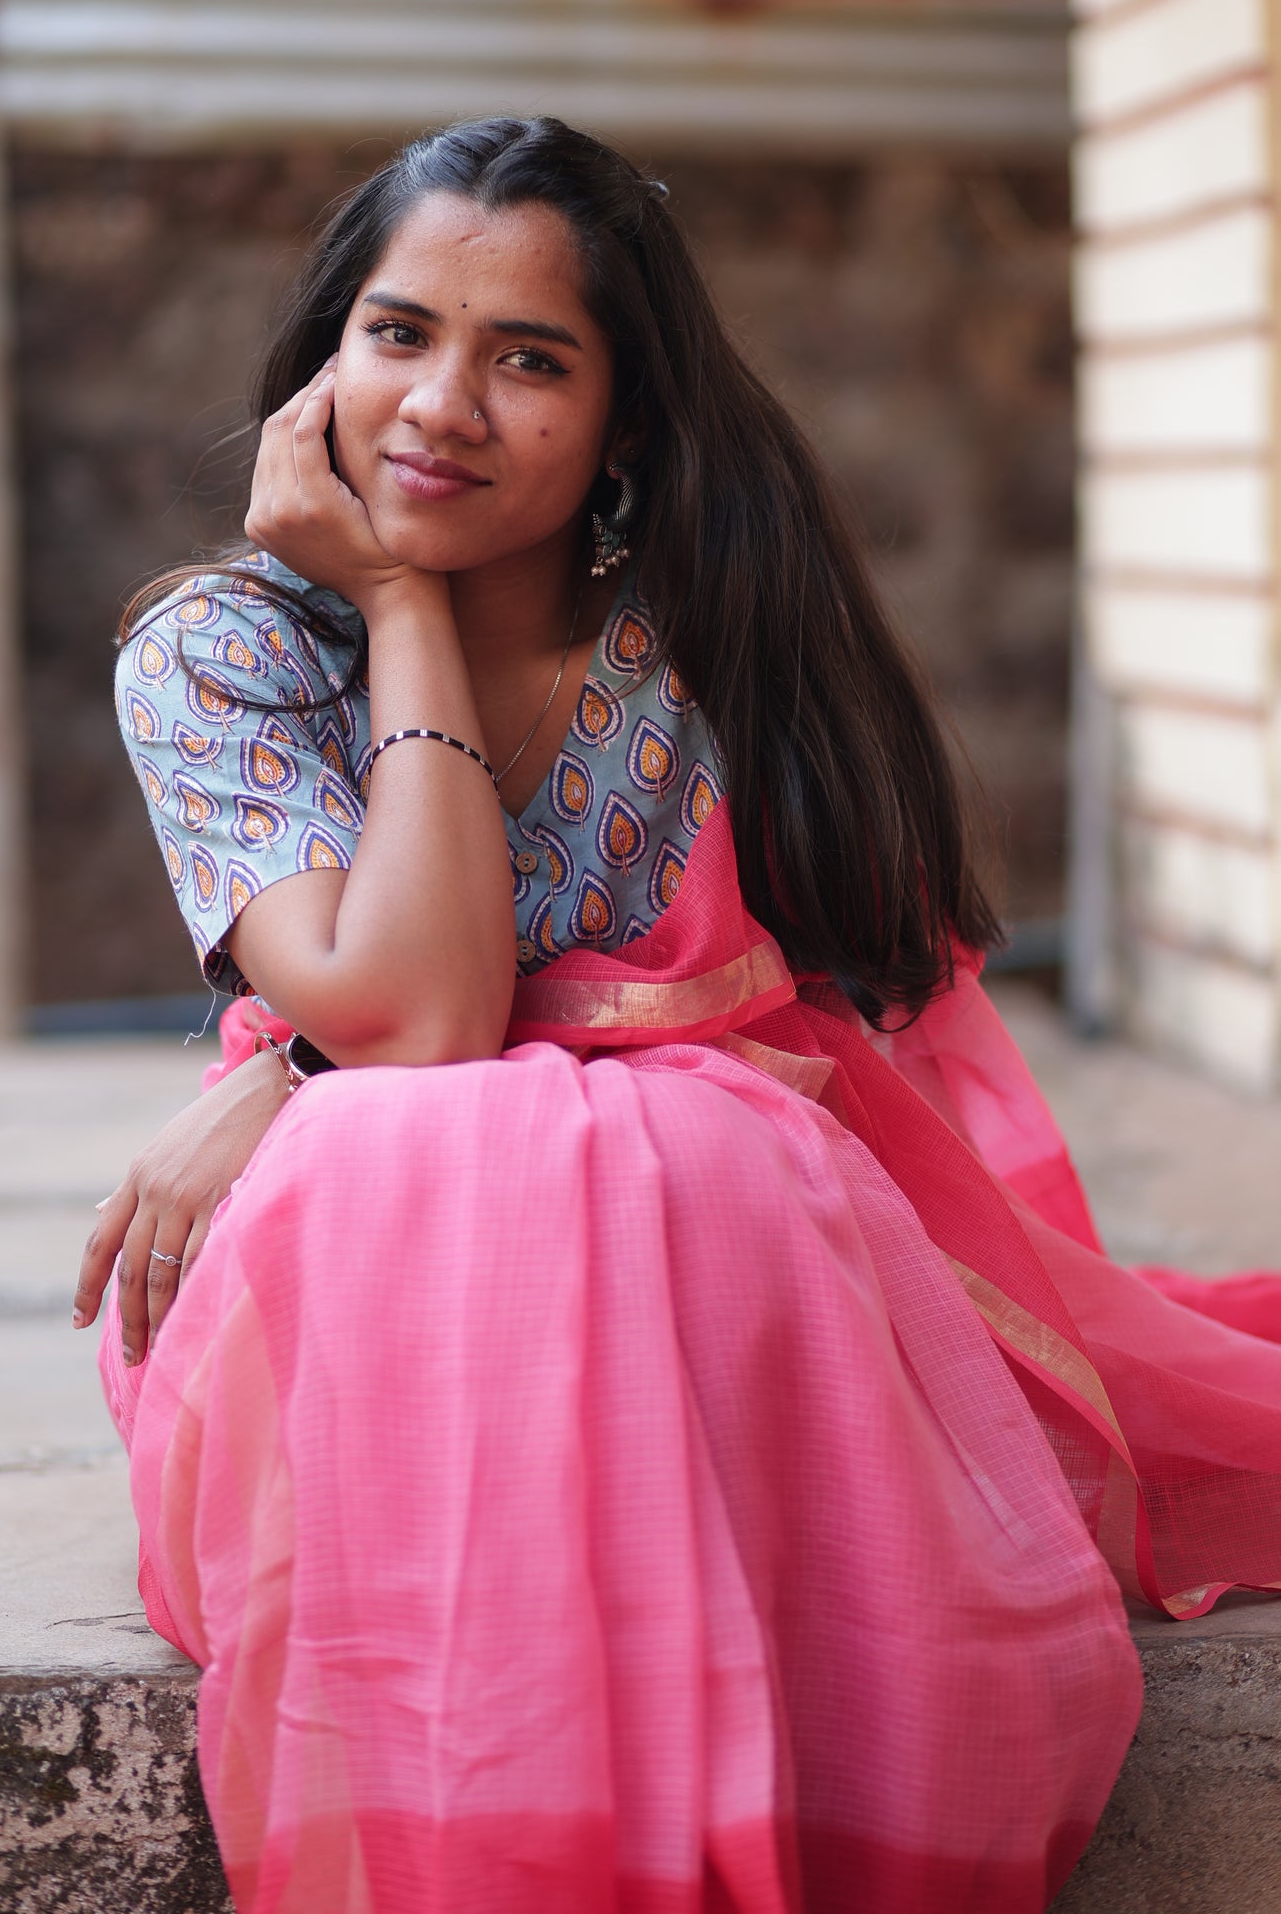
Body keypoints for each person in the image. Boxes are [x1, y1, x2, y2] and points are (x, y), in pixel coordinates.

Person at [74, 116, 1281, 1914]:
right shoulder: (221, 655)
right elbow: (421, 1024)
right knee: (485, 1148)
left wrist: (282, 1078)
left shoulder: (700, 637)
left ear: (626, 419)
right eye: (398, 333)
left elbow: (512, 1032)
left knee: (690, 1145)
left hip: (683, 1240)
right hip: (335, 1279)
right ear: (323, 358)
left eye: (529, 359)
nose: (440, 406)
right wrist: (400, 608)